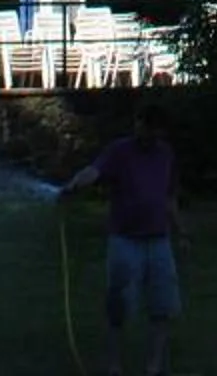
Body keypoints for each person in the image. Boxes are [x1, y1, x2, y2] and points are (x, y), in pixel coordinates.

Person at [61, 101, 187, 376]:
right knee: (118, 305)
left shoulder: (165, 154)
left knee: (162, 305)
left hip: (159, 240)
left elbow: (169, 197)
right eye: (142, 126)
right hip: (125, 240)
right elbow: (94, 171)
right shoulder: (119, 150)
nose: (146, 132)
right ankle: (114, 365)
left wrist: (180, 231)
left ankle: (154, 367)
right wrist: (75, 184)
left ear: (160, 131)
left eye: (152, 129)